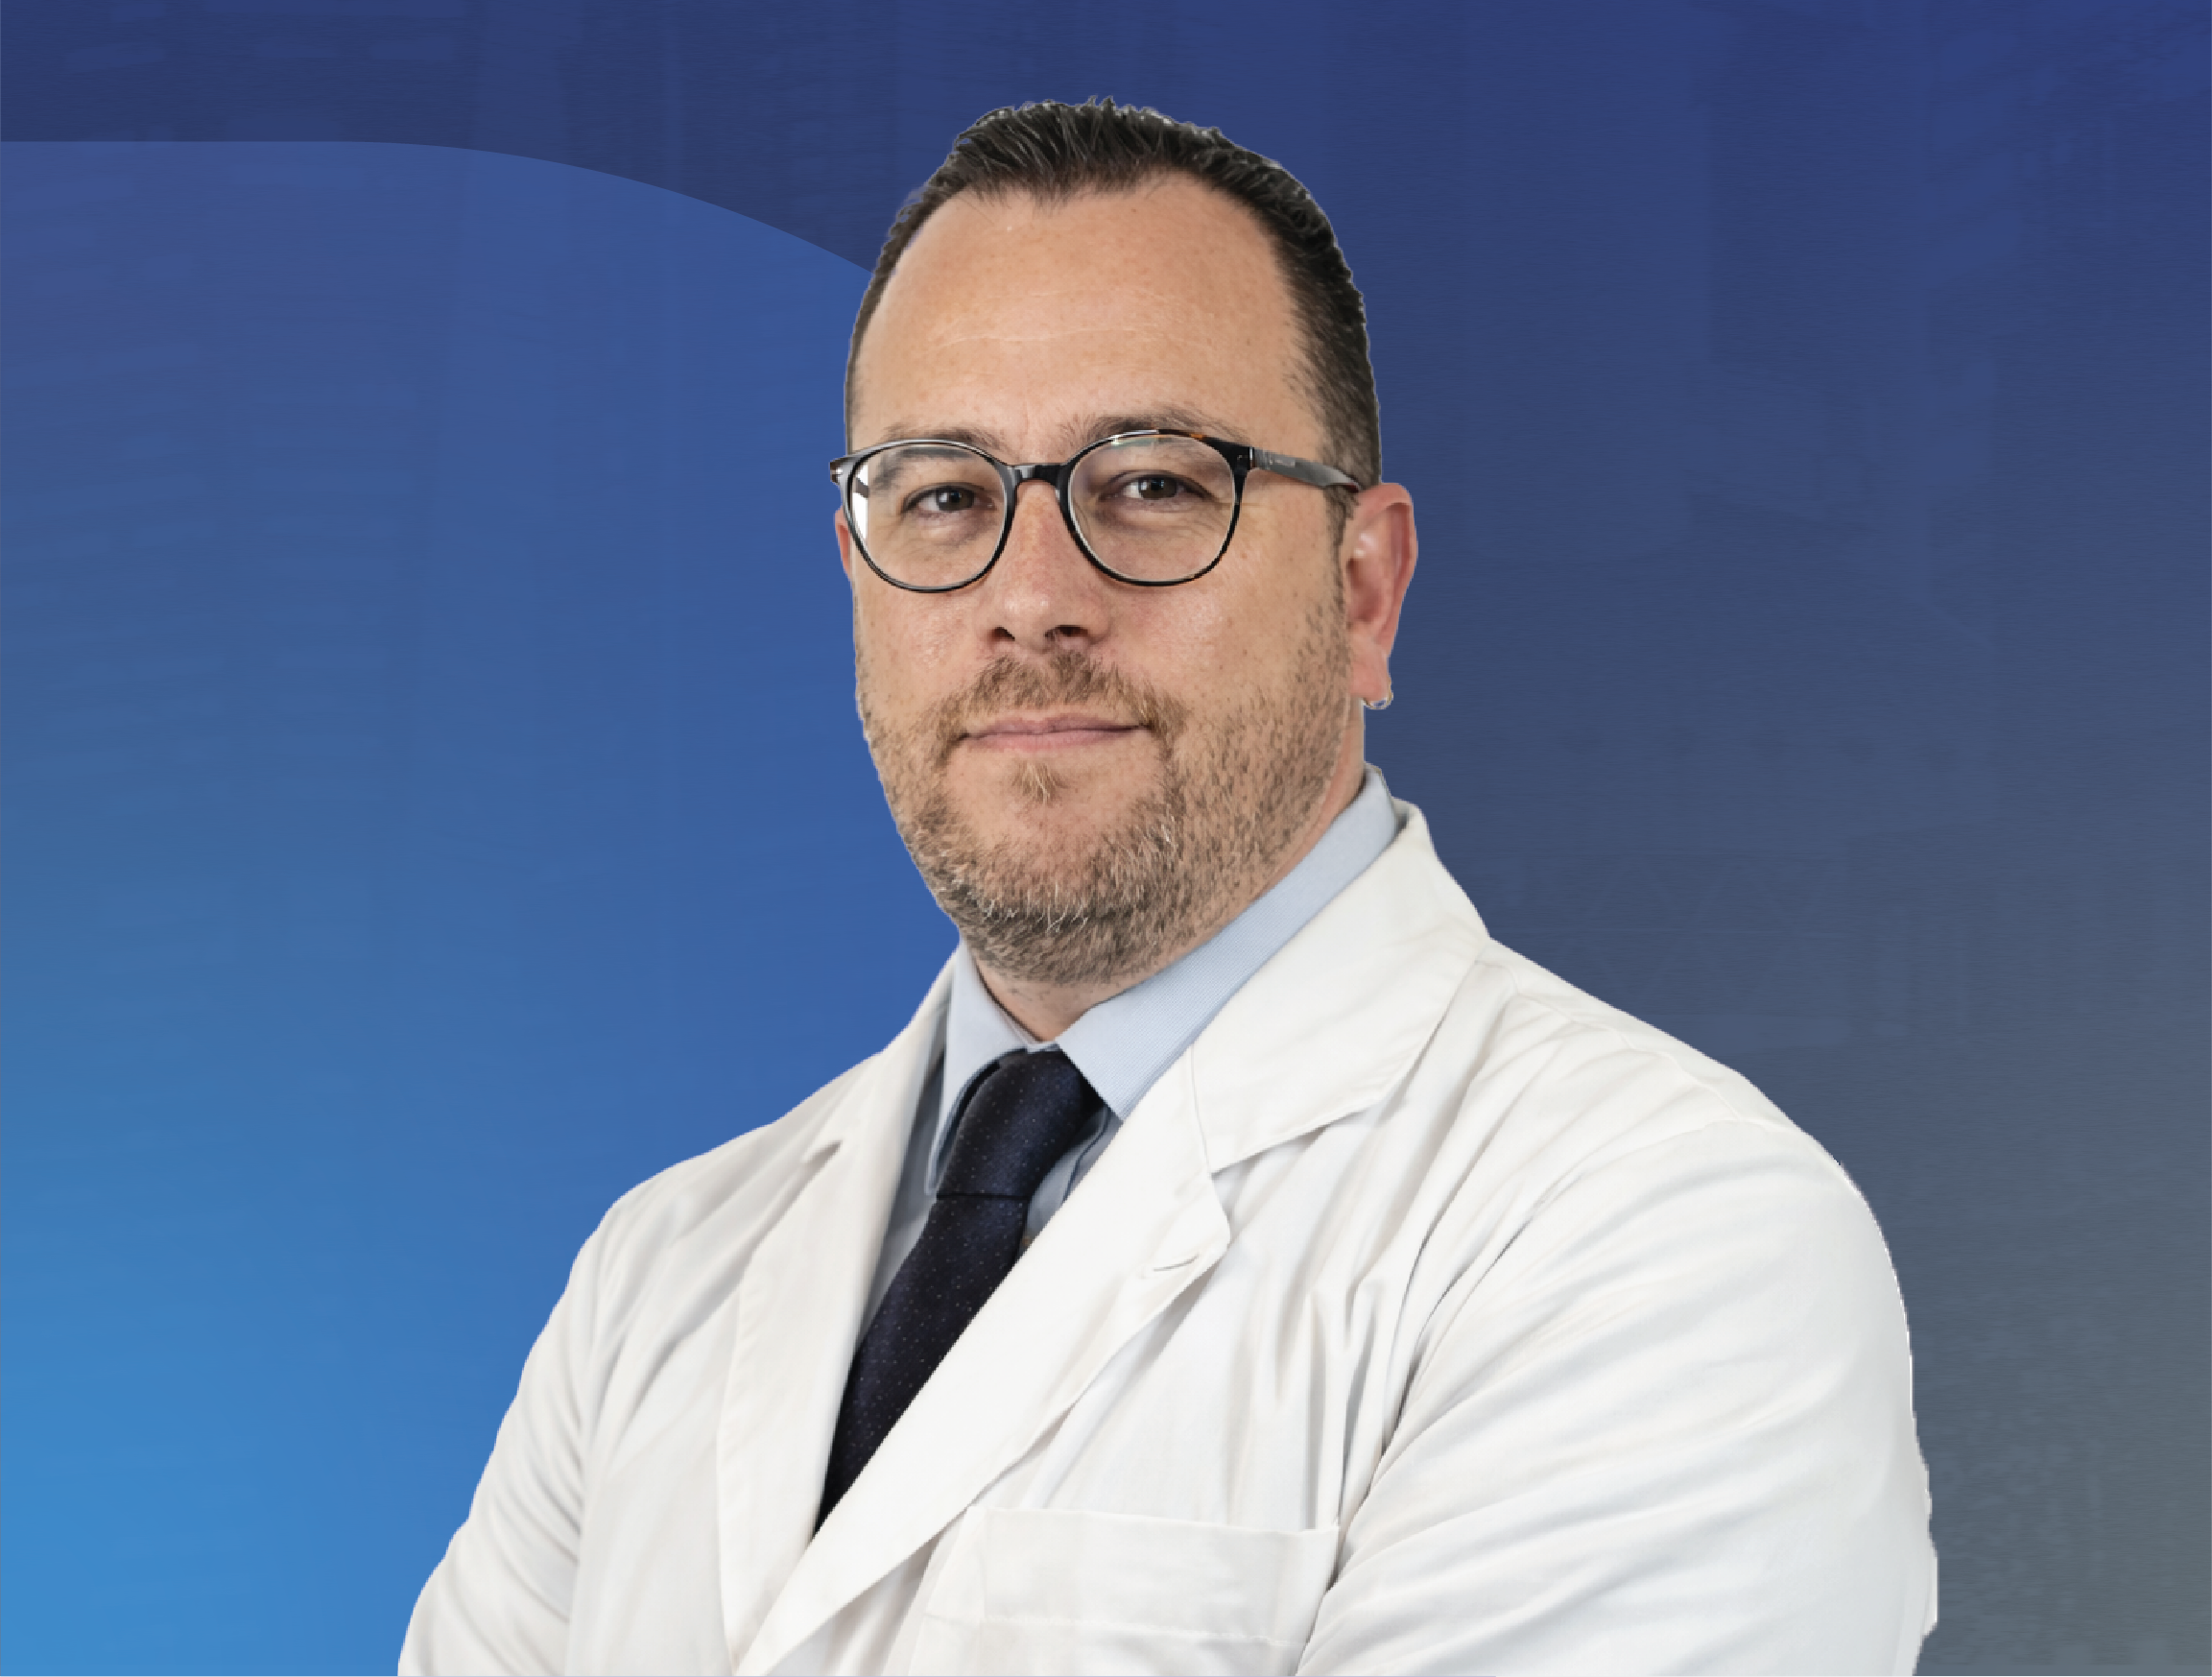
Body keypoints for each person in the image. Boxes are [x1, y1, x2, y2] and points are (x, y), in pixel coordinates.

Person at [401, 99, 1936, 1676]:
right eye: (942, 494)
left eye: (1148, 483)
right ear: (857, 578)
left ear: (1364, 588)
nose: (1031, 598)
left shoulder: (1659, 1247)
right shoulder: (659, 1275)